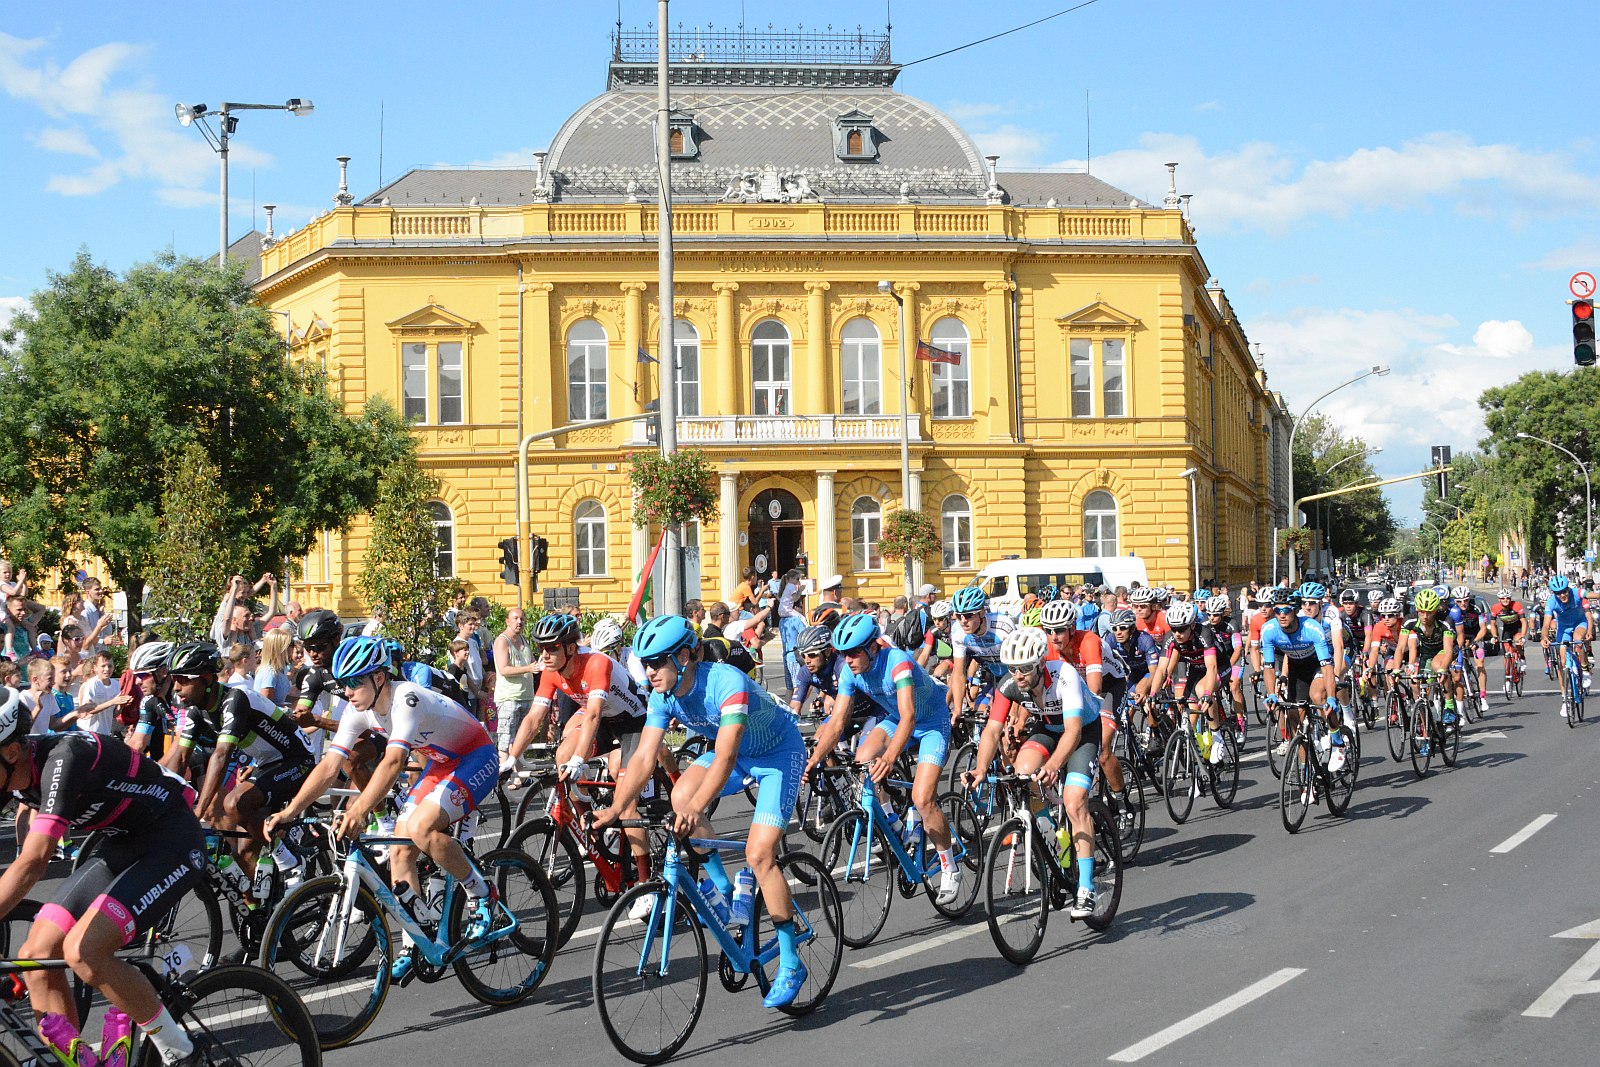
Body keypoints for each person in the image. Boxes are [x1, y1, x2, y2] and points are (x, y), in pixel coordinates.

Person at [592, 614, 811, 1009]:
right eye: (644, 662)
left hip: (778, 754)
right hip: (740, 755)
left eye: (656, 662)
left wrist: (696, 807)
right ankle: (726, 892)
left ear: (684, 657)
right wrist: (616, 807)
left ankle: (791, 961)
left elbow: (725, 755)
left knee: (760, 854)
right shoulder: (661, 694)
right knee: (679, 799)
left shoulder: (725, 682)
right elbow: (643, 757)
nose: (649, 671)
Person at [267, 635, 507, 981]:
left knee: (423, 828)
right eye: (343, 684)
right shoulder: (358, 710)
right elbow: (329, 766)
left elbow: (394, 760)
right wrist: (290, 812)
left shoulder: (405, 698)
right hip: (442, 763)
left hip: (475, 755)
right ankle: (416, 941)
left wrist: (360, 809)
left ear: (379, 678)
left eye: (354, 682)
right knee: (399, 848)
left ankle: (482, 894)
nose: (347, 691)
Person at [0, 689, 209, 1067]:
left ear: (11, 751)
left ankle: (181, 1051)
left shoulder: (63, 758)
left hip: (171, 840)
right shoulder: (11, 770)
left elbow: (34, 861)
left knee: (84, 951)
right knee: (34, 956)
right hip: (121, 842)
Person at [811, 613, 961, 905]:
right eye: (843, 654)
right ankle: (895, 824)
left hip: (929, 723)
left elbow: (910, 716)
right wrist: (815, 757)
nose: (848, 660)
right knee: (862, 759)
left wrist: (891, 757)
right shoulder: (849, 673)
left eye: (854, 652)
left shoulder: (898, 663)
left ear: (872, 647)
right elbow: (838, 721)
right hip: (895, 720)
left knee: (922, 798)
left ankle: (948, 866)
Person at [964, 628, 1102, 917]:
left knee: (1075, 802)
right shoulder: (1009, 684)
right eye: (1013, 669)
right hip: (1048, 729)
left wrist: (1053, 766)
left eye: (1025, 668)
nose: (1019, 675)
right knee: (1022, 773)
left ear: (1040, 663)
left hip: (1083, 731)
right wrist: (979, 769)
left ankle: (1087, 888)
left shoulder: (1065, 675)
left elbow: (1074, 731)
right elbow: (991, 730)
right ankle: (1051, 835)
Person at [170, 642, 315, 895]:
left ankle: (290, 861)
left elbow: (221, 755)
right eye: (173, 679)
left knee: (234, 804)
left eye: (182, 679)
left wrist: (198, 813)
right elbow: (180, 758)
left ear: (205, 679)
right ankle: (261, 914)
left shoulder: (234, 699)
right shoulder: (196, 711)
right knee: (244, 852)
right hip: (268, 763)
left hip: (297, 760)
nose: (176, 687)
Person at [1541, 575, 1594, 717]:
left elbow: (1591, 594)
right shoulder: (1551, 602)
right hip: (1563, 628)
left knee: (1577, 640)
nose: (1562, 595)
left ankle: (1584, 668)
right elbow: (1546, 624)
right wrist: (1544, 636)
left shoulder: (1576, 592)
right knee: (1562, 661)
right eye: (1558, 593)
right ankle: (1564, 699)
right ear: (1554, 593)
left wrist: (1589, 630)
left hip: (1579, 623)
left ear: (1568, 589)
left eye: (1564, 591)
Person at [493, 607, 541, 756]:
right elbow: (504, 669)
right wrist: (528, 668)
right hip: (509, 698)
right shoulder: (502, 641)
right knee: (505, 740)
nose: (519, 622)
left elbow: (533, 663)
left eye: (522, 619)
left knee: (521, 741)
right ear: (507, 621)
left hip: (527, 696)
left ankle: (519, 777)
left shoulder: (524, 640)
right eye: (515, 618)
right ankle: (504, 776)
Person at [75, 652, 130, 735]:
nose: (107, 669)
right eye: (103, 666)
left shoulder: (115, 684)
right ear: (95, 668)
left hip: (105, 732)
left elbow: (113, 714)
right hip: (88, 732)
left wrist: (121, 705)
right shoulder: (92, 684)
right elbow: (88, 710)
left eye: (110, 666)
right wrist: (112, 702)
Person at [254, 628, 294, 705]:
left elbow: (279, 699)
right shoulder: (269, 673)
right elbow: (265, 706)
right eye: (290, 645)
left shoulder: (281, 670)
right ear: (279, 648)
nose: (293, 648)